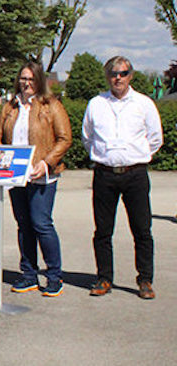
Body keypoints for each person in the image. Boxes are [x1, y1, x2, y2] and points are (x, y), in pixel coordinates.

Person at [82, 56, 163, 299]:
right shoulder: (96, 103)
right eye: (113, 73)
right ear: (107, 76)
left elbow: (155, 137)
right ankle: (104, 278)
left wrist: (135, 156)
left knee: (142, 229)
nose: (118, 77)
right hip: (105, 174)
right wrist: (106, 155)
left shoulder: (144, 104)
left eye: (123, 73)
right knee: (103, 231)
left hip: (135, 174)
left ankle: (145, 279)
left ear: (131, 76)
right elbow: (87, 137)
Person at [0, 62, 72, 297]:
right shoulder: (10, 106)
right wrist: (3, 158)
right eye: (23, 79)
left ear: (39, 81)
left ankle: (54, 275)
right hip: (15, 176)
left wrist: (46, 162)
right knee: (23, 225)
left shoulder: (51, 106)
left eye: (31, 79)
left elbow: (64, 139)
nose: (26, 83)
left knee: (41, 223)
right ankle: (28, 273)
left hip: (42, 175)